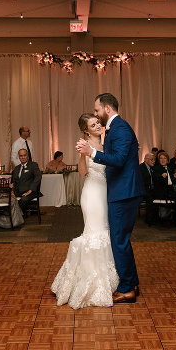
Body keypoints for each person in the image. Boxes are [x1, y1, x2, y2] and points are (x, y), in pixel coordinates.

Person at [76, 92, 144, 304]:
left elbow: (120, 159)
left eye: (97, 110)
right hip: (119, 190)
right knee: (121, 240)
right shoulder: (115, 129)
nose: (95, 114)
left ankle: (126, 288)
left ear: (106, 109)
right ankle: (131, 282)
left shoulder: (121, 128)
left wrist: (92, 153)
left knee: (119, 240)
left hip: (123, 192)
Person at [52, 113, 120, 309]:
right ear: (85, 130)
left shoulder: (108, 141)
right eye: (93, 124)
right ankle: (91, 281)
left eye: (98, 122)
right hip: (92, 193)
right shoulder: (84, 144)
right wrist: (84, 154)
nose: (98, 126)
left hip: (108, 192)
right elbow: (82, 173)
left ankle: (109, 278)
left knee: (106, 231)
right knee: (94, 233)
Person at [153, 150, 176, 228]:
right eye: (161, 158)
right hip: (162, 192)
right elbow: (155, 179)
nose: (162, 160)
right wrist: (161, 176)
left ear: (167, 160)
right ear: (159, 160)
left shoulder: (168, 168)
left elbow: (171, 179)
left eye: (164, 158)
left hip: (170, 191)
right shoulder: (156, 168)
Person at [11, 148, 42, 213]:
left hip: (30, 192)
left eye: (24, 155)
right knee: (8, 199)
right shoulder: (16, 168)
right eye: (21, 156)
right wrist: (12, 191)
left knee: (23, 200)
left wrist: (30, 190)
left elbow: (38, 177)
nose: (23, 157)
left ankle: (15, 217)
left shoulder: (33, 165)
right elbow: (13, 181)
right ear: (19, 157)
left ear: (27, 156)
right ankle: (17, 216)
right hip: (18, 192)